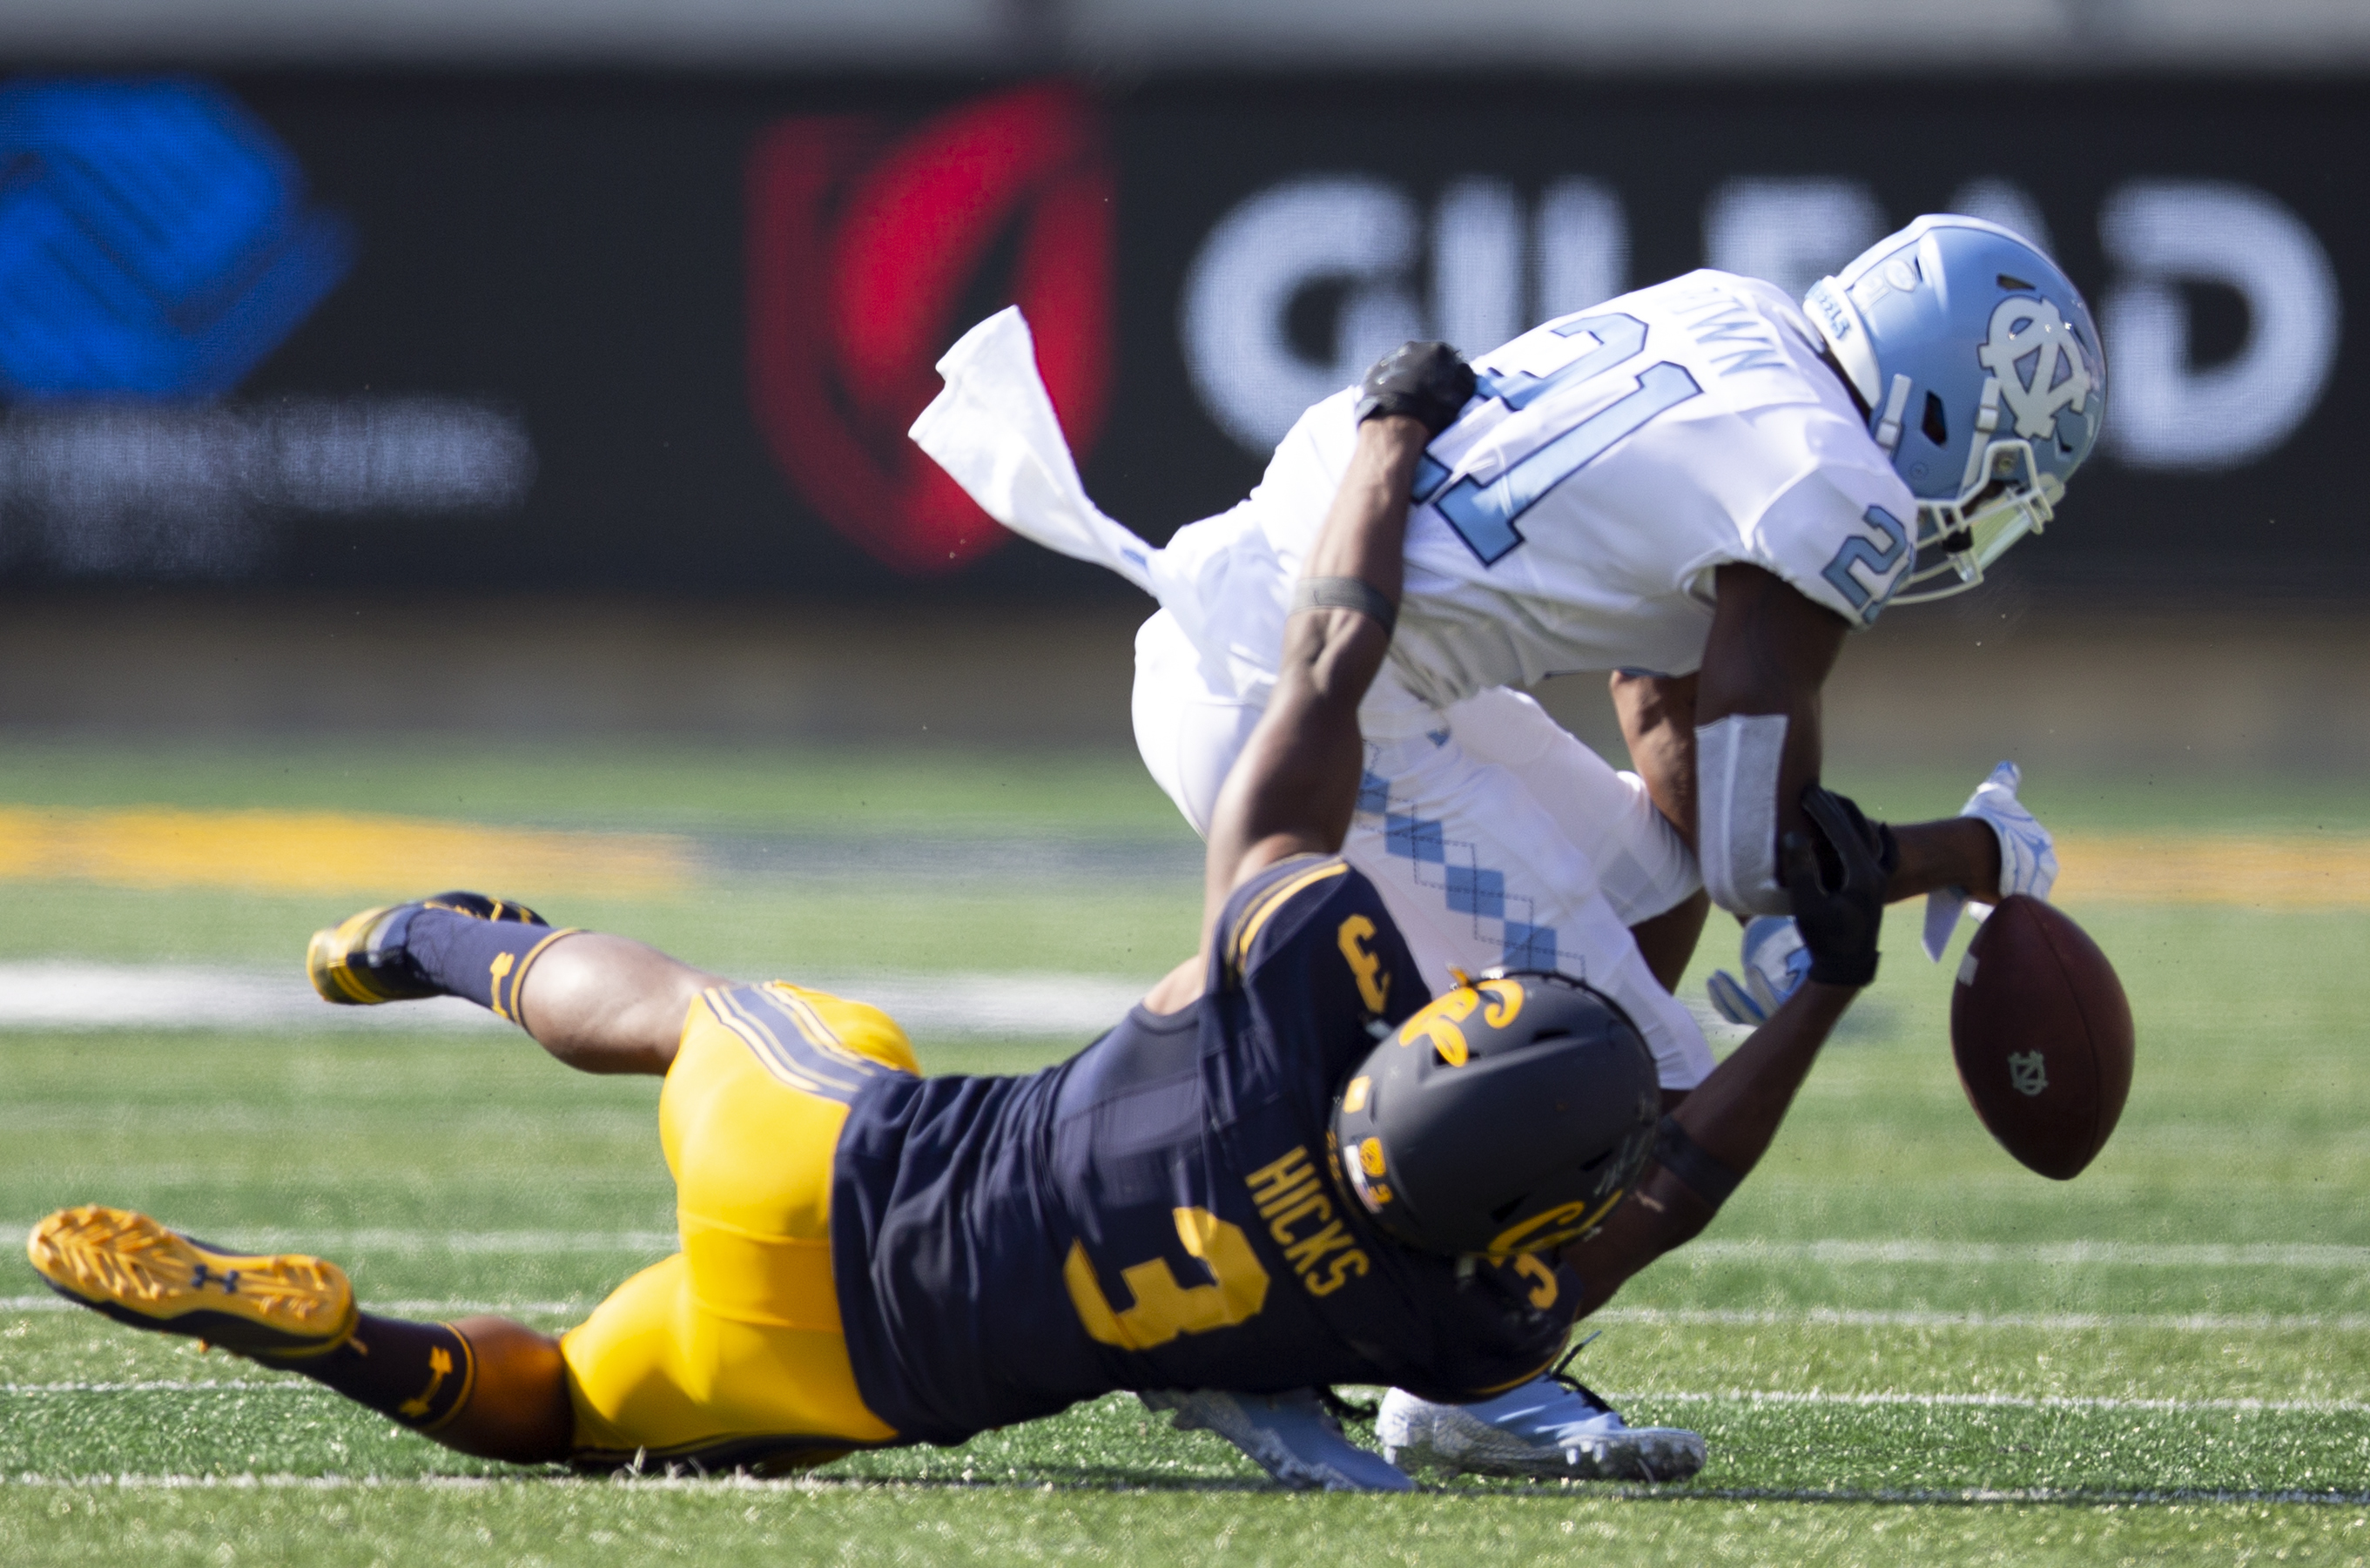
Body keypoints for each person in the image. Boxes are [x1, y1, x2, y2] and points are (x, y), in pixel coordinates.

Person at [28, 347, 1890, 1493]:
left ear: (1418, 1037)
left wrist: (1386, 450)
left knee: (687, 1013)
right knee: (573, 1411)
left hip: (838, 1150)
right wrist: (1823, 989)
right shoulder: (1438, 1316)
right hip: (865, 1362)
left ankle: (457, 944)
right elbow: (1674, 1188)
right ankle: (355, 1341)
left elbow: (1319, 684)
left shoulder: (1298, 999)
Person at [914, 215, 2096, 1476]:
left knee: (1644, 884)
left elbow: (1668, 736)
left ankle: (1392, 1268)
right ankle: (1470, 1364)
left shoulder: (1733, 314)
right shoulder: (1832, 483)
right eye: (1991, 479)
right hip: (1312, 697)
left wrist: (1820, 873)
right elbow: (1758, 850)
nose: (1973, 519)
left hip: (1306, 633)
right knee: (1658, 1078)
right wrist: (1962, 856)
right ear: (1938, 415)